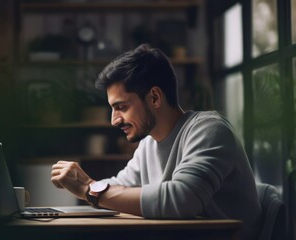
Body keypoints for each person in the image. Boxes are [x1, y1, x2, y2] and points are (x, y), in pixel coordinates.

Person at [51, 44, 261, 240]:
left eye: (122, 107)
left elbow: (182, 200)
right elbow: (118, 188)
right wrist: (83, 185)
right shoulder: (148, 144)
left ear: (154, 97)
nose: (113, 120)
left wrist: (90, 189)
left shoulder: (209, 130)